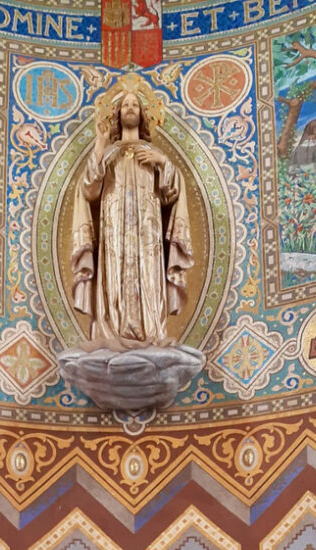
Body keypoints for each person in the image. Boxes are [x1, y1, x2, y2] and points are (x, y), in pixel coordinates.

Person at [70, 86, 193, 351]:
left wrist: (164, 162)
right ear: (117, 114)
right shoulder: (109, 154)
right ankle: (112, 331)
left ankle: (152, 332)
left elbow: (171, 195)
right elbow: (89, 189)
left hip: (147, 232)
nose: (129, 108)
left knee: (148, 275)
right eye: (124, 105)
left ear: (142, 115)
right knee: (114, 275)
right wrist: (100, 143)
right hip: (114, 229)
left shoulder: (153, 154)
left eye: (134, 105)